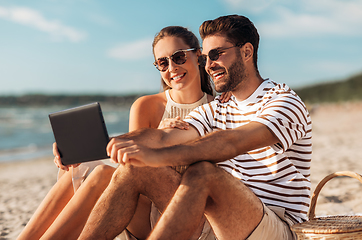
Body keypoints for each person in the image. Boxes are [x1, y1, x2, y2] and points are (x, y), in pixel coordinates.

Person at [78, 15, 312, 240]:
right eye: (206, 57)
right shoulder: (217, 108)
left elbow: (232, 142)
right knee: (133, 169)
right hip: (221, 223)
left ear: (247, 52)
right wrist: (119, 143)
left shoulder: (283, 101)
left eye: (216, 54)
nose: (209, 65)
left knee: (203, 173)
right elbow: (162, 137)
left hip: (278, 226)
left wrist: (157, 157)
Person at [17, 26, 229, 240]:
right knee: (85, 167)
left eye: (179, 57)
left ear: (199, 56)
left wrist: (164, 140)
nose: (172, 67)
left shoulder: (219, 108)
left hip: (192, 216)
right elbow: (130, 169)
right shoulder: (146, 105)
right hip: (145, 210)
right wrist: (72, 154)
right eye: (163, 63)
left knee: (101, 173)